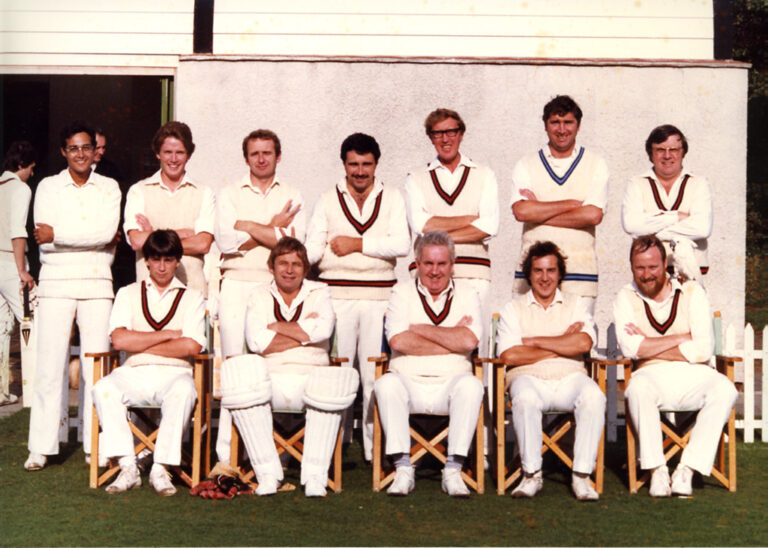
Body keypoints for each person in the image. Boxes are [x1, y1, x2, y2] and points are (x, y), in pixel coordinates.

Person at [219, 238, 359, 497]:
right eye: (283, 263)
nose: (289, 269)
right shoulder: (259, 294)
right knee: (243, 380)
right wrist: (305, 331)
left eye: (297, 264)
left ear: (306, 269)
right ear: (271, 267)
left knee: (330, 382)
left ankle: (316, 476)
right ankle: (267, 474)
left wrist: (276, 327)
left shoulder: (320, 291)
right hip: (271, 374)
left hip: (312, 372)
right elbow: (256, 340)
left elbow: (324, 329)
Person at [305, 132, 409, 461]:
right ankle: (334, 445)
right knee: (338, 368)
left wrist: (356, 244)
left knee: (373, 372)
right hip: (337, 295)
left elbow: (401, 245)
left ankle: (373, 447)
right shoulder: (326, 199)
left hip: (381, 296)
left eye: (366, 164)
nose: (360, 171)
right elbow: (313, 250)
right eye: (353, 164)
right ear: (344, 164)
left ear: (376, 164)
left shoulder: (392, 197)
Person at [25, 122, 120, 470]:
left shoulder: (109, 187)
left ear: (95, 151)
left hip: (97, 283)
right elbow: (42, 236)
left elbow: (107, 232)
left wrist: (60, 234)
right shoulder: (48, 186)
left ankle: (96, 445)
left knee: (97, 367)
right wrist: (86, 238)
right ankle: (41, 446)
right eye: (73, 148)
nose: (81, 154)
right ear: (64, 152)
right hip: (56, 282)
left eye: (86, 147)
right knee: (50, 366)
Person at [614, 235, 737, 497]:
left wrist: (649, 343)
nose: (646, 275)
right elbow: (630, 349)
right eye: (639, 267)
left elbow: (704, 348)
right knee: (636, 390)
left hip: (695, 373)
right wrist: (683, 338)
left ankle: (687, 469)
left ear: (665, 265)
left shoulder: (692, 292)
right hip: (650, 374)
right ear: (631, 266)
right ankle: (657, 469)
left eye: (653, 267)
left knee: (725, 389)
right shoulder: (625, 297)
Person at [213, 128, 305, 464]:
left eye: (267, 153)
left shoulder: (293, 194)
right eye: (255, 153)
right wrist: (272, 226)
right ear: (246, 157)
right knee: (234, 366)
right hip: (236, 282)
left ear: (278, 156)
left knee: (269, 364)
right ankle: (227, 453)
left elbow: (295, 245)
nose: (261, 159)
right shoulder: (229, 193)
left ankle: (268, 452)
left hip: (275, 287)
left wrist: (249, 225)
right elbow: (225, 242)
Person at [91, 230, 205, 496]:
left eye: (168, 260)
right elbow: (119, 340)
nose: (162, 266)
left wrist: (140, 341)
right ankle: (128, 466)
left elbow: (191, 346)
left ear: (178, 261)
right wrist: (166, 335)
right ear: (147, 262)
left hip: (175, 372)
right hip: (134, 371)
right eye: (156, 259)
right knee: (103, 388)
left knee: (184, 391)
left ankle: (161, 467)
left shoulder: (193, 297)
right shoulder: (128, 293)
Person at [373, 230, 484, 497]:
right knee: (386, 384)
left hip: (452, 382)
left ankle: (453, 470)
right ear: (417, 263)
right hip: (408, 381)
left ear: (452, 265)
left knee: (472, 386)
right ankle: (403, 468)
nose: (435, 271)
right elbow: (398, 341)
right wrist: (450, 337)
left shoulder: (468, 292)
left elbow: (470, 341)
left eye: (441, 264)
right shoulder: (401, 291)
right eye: (428, 263)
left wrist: (420, 328)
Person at [496, 241, 604, 500]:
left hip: (571, 377)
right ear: (529, 274)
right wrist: (560, 343)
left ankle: (581, 477)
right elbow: (510, 355)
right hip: (527, 378)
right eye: (538, 271)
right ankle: (531, 475)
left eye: (551, 270)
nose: (545, 278)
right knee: (524, 398)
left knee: (594, 396)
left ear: (560, 273)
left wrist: (533, 341)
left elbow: (583, 343)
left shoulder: (576, 304)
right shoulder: (513, 309)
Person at [404, 108, 499, 353]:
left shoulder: (483, 174)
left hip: (474, 272)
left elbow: (490, 225)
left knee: (476, 343)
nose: (445, 139)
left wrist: (439, 233)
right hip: (431, 273)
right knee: (433, 341)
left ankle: (482, 391)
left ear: (461, 133)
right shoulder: (416, 178)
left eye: (451, 132)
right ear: (430, 138)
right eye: (438, 134)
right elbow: (420, 226)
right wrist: (470, 220)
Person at [510, 95, 609, 309]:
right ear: (546, 126)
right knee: (529, 339)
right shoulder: (526, 164)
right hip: (533, 272)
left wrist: (540, 212)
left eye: (568, 122)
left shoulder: (596, 163)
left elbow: (593, 215)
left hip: (580, 273)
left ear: (578, 125)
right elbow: (522, 212)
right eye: (555, 122)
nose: (562, 129)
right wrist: (572, 204)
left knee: (578, 339)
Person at [124, 121, 214, 298]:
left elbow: (203, 244)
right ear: (158, 153)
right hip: (150, 293)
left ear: (188, 155)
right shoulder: (139, 191)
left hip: (192, 291)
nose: (173, 159)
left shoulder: (204, 193)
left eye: (179, 152)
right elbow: (136, 241)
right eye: (167, 152)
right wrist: (181, 233)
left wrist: (153, 237)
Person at [621, 125, 712, 282]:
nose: (667, 156)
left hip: (691, 275)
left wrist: (651, 232)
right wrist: (676, 217)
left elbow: (703, 228)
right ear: (651, 153)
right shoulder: (636, 184)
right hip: (649, 276)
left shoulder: (699, 183)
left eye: (674, 150)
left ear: (683, 152)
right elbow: (631, 225)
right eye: (660, 150)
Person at [0, 141, 36, 405]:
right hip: (9, 264)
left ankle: (2, 391)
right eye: (31, 168)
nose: (32, 174)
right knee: (31, 325)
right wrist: (21, 269)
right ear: (22, 165)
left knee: (2, 329)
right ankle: (34, 390)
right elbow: (17, 230)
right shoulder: (21, 189)